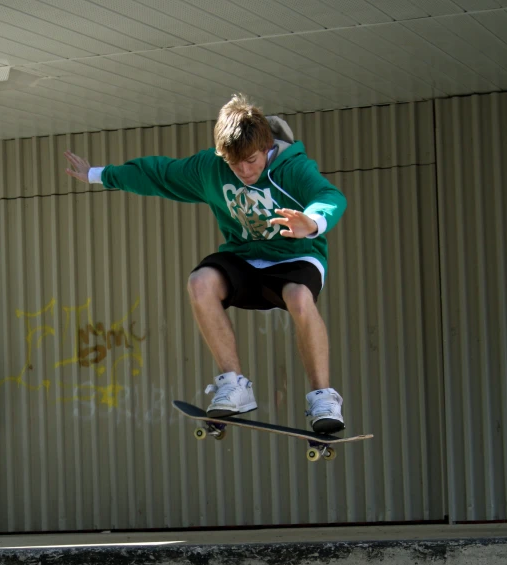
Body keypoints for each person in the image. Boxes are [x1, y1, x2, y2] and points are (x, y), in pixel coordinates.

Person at [65, 94, 347, 433]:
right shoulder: (210, 168)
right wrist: (98, 174)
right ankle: (234, 385)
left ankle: (323, 398)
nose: (244, 171)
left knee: (300, 298)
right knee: (200, 282)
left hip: (294, 256)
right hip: (243, 255)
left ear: (267, 147)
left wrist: (313, 221)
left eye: (252, 161)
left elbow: (330, 196)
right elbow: (160, 174)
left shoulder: (293, 167)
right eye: (235, 164)